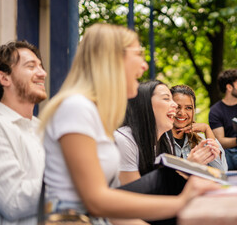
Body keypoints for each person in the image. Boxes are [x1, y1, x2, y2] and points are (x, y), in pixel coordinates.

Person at [39, 23, 219, 225]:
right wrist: (182, 202)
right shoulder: (76, 108)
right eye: (138, 54)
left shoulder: (92, 113)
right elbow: (97, 202)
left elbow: (114, 210)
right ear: (113, 59)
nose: (144, 65)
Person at [0, 41, 47, 224]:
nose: (43, 73)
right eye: (31, 66)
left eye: (41, 67)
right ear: (4, 78)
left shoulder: (42, 128)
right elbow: (13, 201)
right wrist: (75, 180)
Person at [114, 80, 178, 185]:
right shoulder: (123, 140)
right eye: (166, 98)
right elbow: (135, 194)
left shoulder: (165, 140)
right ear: (145, 104)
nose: (175, 105)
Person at [170, 85, 227, 171]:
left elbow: (221, 172)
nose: (182, 113)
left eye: (188, 108)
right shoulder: (159, 139)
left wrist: (207, 129)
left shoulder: (202, 140)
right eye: (177, 107)